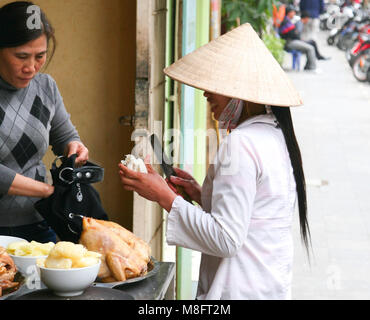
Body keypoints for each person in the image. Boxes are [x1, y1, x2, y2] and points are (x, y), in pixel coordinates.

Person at [118, 23, 311, 300]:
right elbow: (251, 215)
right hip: (267, 285)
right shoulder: (273, 134)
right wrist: (200, 195)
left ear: (242, 94)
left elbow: (226, 239)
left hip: (239, 289)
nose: (206, 93)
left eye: (215, 86)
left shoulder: (242, 143)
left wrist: (164, 197)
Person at [0, 2, 88, 243]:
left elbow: (64, 136)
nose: (31, 68)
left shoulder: (45, 87)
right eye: (21, 57)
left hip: (37, 222)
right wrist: (48, 192)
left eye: (40, 56)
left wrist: (74, 148)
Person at [279, 5, 320, 72]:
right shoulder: (286, 21)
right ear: (289, 13)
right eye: (293, 12)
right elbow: (292, 34)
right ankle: (313, 67)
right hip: (289, 43)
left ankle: (308, 66)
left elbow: (294, 33)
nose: (294, 13)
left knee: (310, 46)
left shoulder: (288, 20)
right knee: (310, 48)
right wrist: (297, 35)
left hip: (292, 41)